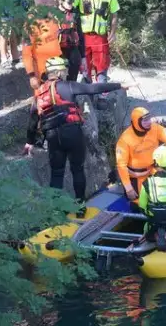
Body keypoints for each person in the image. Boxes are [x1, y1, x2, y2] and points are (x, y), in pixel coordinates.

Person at [26, 57, 133, 213]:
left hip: (52, 136)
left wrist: (29, 142)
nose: (67, 72)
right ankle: (80, 207)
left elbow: (33, 119)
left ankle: (55, 211)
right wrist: (119, 86)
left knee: (57, 173)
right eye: (65, 70)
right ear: (59, 72)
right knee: (77, 169)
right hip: (72, 132)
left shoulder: (40, 93)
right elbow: (93, 89)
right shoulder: (68, 86)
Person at [115, 107, 166, 208]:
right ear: (136, 122)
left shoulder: (155, 128)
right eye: (145, 120)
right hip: (136, 177)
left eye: (149, 118)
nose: (149, 122)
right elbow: (121, 165)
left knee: (162, 200)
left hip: (155, 171)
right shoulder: (124, 139)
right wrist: (128, 188)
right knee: (139, 206)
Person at [73, 0, 119, 83]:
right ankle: (86, 85)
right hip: (83, 36)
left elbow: (114, 14)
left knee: (102, 65)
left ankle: (102, 88)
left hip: (100, 37)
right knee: (85, 66)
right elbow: (70, 9)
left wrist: (113, 33)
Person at [22, 0, 64, 91]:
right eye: (50, 6)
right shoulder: (30, 24)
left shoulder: (53, 19)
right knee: (44, 98)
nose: (53, 8)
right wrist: (31, 76)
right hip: (42, 73)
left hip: (58, 68)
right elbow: (26, 53)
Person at [52, 0, 86, 82]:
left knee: (76, 59)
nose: (72, 3)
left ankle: (71, 84)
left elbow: (80, 34)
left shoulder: (74, 13)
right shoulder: (50, 13)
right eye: (70, 0)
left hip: (71, 48)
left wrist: (83, 56)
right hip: (54, 49)